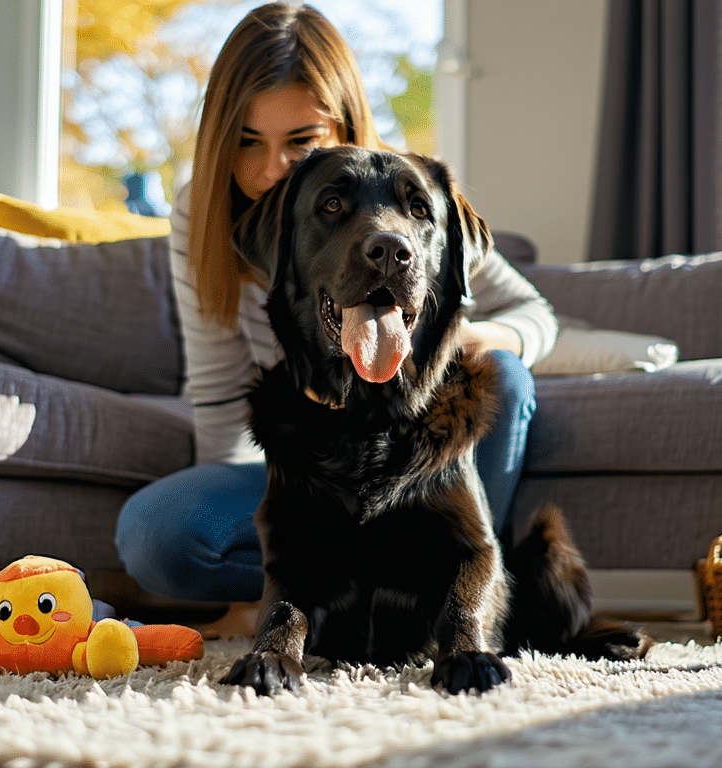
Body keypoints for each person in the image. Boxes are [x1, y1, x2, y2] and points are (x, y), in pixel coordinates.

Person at [114, 2, 558, 636]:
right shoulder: (202, 213)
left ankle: (465, 598)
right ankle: (335, 603)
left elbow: (531, 311)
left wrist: (473, 336)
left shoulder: (404, 206)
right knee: (155, 534)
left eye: (301, 143)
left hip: (418, 470)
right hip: (311, 473)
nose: (271, 170)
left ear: (345, 125)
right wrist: (268, 572)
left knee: (505, 376)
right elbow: (217, 391)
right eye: (247, 143)